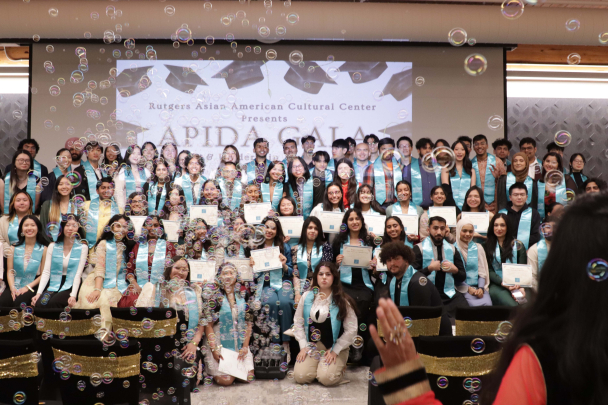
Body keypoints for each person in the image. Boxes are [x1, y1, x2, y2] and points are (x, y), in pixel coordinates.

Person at [293, 261, 358, 386]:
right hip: (313, 346)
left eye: (328, 274)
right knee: (300, 376)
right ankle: (320, 368)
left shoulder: (342, 301)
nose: (324, 277)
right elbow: (298, 322)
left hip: (335, 346)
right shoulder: (306, 296)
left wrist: (335, 350)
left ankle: (335, 369)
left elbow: (352, 329)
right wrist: (303, 345)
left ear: (334, 277)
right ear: (316, 276)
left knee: (327, 379)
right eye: (321, 274)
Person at [323, 209, 375, 350]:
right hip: (344, 283)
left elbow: (376, 264)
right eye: (350, 219)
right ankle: (344, 345)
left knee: (364, 300)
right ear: (346, 223)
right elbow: (330, 267)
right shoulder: (338, 242)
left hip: (363, 283)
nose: (354, 222)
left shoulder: (369, 240)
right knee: (344, 301)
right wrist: (336, 263)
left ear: (362, 221)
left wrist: (373, 264)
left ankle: (358, 345)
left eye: (357, 219)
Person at [375, 241, 452, 335]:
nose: (392, 263)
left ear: (406, 260)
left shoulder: (417, 283)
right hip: (415, 328)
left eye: (396, 259)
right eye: (389, 260)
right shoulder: (394, 281)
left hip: (434, 335)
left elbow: (421, 319)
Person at [75, 214, 135, 329]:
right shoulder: (104, 244)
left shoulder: (128, 246)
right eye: (118, 226)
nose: (121, 230)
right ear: (111, 228)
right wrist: (97, 289)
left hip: (120, 282)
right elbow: (100, 268)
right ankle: (104, 333)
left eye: (125, 227)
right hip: (99, 281)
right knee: (104, 300)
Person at [246, 217, 293, 353]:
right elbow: (253, 277)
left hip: (283, 282)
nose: (269, 230)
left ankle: (285, 342)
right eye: (267, 227)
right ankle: (275, 342)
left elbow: (290, 271)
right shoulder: (255, 248)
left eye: (273, 228)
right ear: (261, 228)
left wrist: (284, 265)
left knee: (285, 302)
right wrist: (251, 267)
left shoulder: (284, 247)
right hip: (264, 284)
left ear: (277, 230)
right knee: (271, 303)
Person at [204, 262, 254, 385]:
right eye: (224, 273)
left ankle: (233, 368)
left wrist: (245, 347)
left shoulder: (243, 296)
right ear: (219, 277)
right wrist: (214, 349)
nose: (228, 276)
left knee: (248, 378)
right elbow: (208, 325)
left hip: (239, 342)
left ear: (237, 276)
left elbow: (248, 324)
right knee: (226, 381)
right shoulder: (214, 297)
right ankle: (212, 368)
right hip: (219, 342)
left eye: (232, 273)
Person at [412, 216, 469, 319]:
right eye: (435, 228)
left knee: (465, 314)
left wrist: (455, 270)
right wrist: (429, 269)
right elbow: (411, 277)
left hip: (449, 293)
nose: (439, 232)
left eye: (442, 228)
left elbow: (462, 276)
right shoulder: (418, 249)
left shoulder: (452, 249)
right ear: (428, 230)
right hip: (427, 293)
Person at [32, 215, 88, 308]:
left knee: (55, 302)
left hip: (72, 284)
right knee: (40, 304)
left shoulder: (82, 247)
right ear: (62, 227)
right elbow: (46, 272)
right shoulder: (53, 246)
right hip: (54, 281)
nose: (70, 228)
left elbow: (78, 274)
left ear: (78, 228)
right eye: (67, 225)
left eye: (74, 225)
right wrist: (38, 293)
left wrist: (73, 295)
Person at [158, 257, 205, 366]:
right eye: (177, 268)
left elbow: (201, 322)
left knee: (186, 379)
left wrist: (194, 344)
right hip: (163, 345)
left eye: (184, 269)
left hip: (187, 345)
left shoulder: (194, 292)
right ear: (169, 269)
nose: (180, 272)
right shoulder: (158, 290)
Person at [0, 215, 48, 307]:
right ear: (21, 230)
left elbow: (43, 274)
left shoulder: (44, 249)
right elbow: (10, 271)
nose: (29, 228)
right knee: (3, 302)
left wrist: (27, 287)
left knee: (19, 303)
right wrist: (12, 288)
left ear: (38, 228)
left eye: (33, 225)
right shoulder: (13, 248)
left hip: (33, 286)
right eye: (26, 225)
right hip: (15, 284)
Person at [484, 213, 527, 307]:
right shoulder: (486, 246)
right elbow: (489, 270)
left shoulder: (518, 245)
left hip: (518, 284)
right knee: (513, 306)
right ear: (492, 227)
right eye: (496, 225)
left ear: (508, 227)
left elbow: (523, 268)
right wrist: (504, 283)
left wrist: (521, 287)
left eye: (502, 225)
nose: (499, 228)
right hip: (497, 284)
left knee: (526, 305)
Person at [126, 215, 168, 308]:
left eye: (156, 225)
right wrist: (135, 285)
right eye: (149, 225)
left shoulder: (167, 246)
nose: (152, 228)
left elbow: (171, 271)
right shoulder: (137, 246)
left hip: (161, 289)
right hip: (139, 288)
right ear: (145, 227)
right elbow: (129, 271)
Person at [454, 218, 492, 306]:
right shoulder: (452, 249)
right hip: (460, 287)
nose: (468, 234)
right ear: (458, 230)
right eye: (464, 231)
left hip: (478, 287)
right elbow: (455, 275)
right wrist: (468, 289)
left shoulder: (478, 247)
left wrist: (481, 288)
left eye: (471, 231)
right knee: (471, 306)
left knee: (488, 304)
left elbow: (482, 272)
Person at [292, 216, 325, 303]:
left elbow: (323, 271)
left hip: (319, 287)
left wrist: (310, 290)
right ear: (305, 230)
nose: (313, 231)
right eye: (310, 228)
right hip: (300, 287)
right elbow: (296, 274)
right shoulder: (295, 249)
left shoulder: (324, 248)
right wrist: (297, 293)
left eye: (316, 229)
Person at [498, 183, 541, 250]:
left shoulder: (534, 213)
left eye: (522, 194)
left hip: (527, 250)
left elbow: (536, 235)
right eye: (516, 195)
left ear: (526, 197)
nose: (519, 197)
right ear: (510, 197)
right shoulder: (502, 213)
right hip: (505, 249)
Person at [363, 138, 402, 209]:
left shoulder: (400, 167)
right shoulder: (372, 168)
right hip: (378, 206)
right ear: (379, 150)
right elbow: (367, 191)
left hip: (397, 205)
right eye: (383, 149)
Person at [83, 177, 121, 248]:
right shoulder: (85, 206)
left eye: (109, 188)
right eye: (103, 188)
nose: (106, 190)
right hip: (90, 248)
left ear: (113, 191)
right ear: (97, 191)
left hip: (111, 248)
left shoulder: (120, 210)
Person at [403, 138, 438, 209]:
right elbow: (406, 190)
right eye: (425, 148)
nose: (428, 150)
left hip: (436, 208)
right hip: (416, 209)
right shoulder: (410, 168)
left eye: (430, 148)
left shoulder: (437, 168)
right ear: (418, 150)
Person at [39, 175, 77, 242]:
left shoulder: (77, 206)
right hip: (51, 246)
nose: (64, 187)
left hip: (73, 246)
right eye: (60, 184)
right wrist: (52, 246)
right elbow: (43, 229)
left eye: (68, 184)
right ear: (57, 187)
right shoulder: (47, 205)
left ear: (72, 187)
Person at [471, 134, 503, 213]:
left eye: (482, 143)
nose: (479, 146)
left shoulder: (497, 161)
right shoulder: (470, 164)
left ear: (487, 145)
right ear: (473, 147)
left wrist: (498, 177)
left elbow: (504, 183)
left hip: (495, 205)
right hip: (476, 205)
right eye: (476, 144)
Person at [441, 140, 476, 210]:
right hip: (450, 207)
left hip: (468, 208)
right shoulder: (446, 169)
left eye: (462, 149)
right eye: (456, 149)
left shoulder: (471, 171)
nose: (459, 152)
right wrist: (456, 211)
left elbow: (473, 192)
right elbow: (446, 191)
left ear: (465, 152)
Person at [114, 145, 151, 209]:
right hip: (127, 207)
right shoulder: (123, 171)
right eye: (133, 153)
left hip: (142, 207)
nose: (136, 156)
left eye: (138, 154)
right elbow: (118, 191)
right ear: (128, 155)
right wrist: (122, 208)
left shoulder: (145, 171)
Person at [4, 149, 39, 215]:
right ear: (14, 162)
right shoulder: (4, 180)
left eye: (27, 160)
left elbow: (35, 205)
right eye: (21, 160)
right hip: (9, 218)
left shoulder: (36, 180)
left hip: (30, 218)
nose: (24, 162)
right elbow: (3, 206)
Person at [0, 191, 34, 256]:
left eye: (25, 200)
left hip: (33, 258)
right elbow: (1, 240)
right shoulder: (3, 220)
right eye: (18, 200)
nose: (22, 203)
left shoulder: (37, 219)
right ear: (13, 204)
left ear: (30, 203)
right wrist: (11, 253)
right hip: (8, 257)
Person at [527, 219, 554, 292]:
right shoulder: (534, 249)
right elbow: (532, 277)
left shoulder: (565, 248)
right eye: (548, 227)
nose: (551, 230)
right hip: (540, 292)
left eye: (555, 227)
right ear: (542, 230)